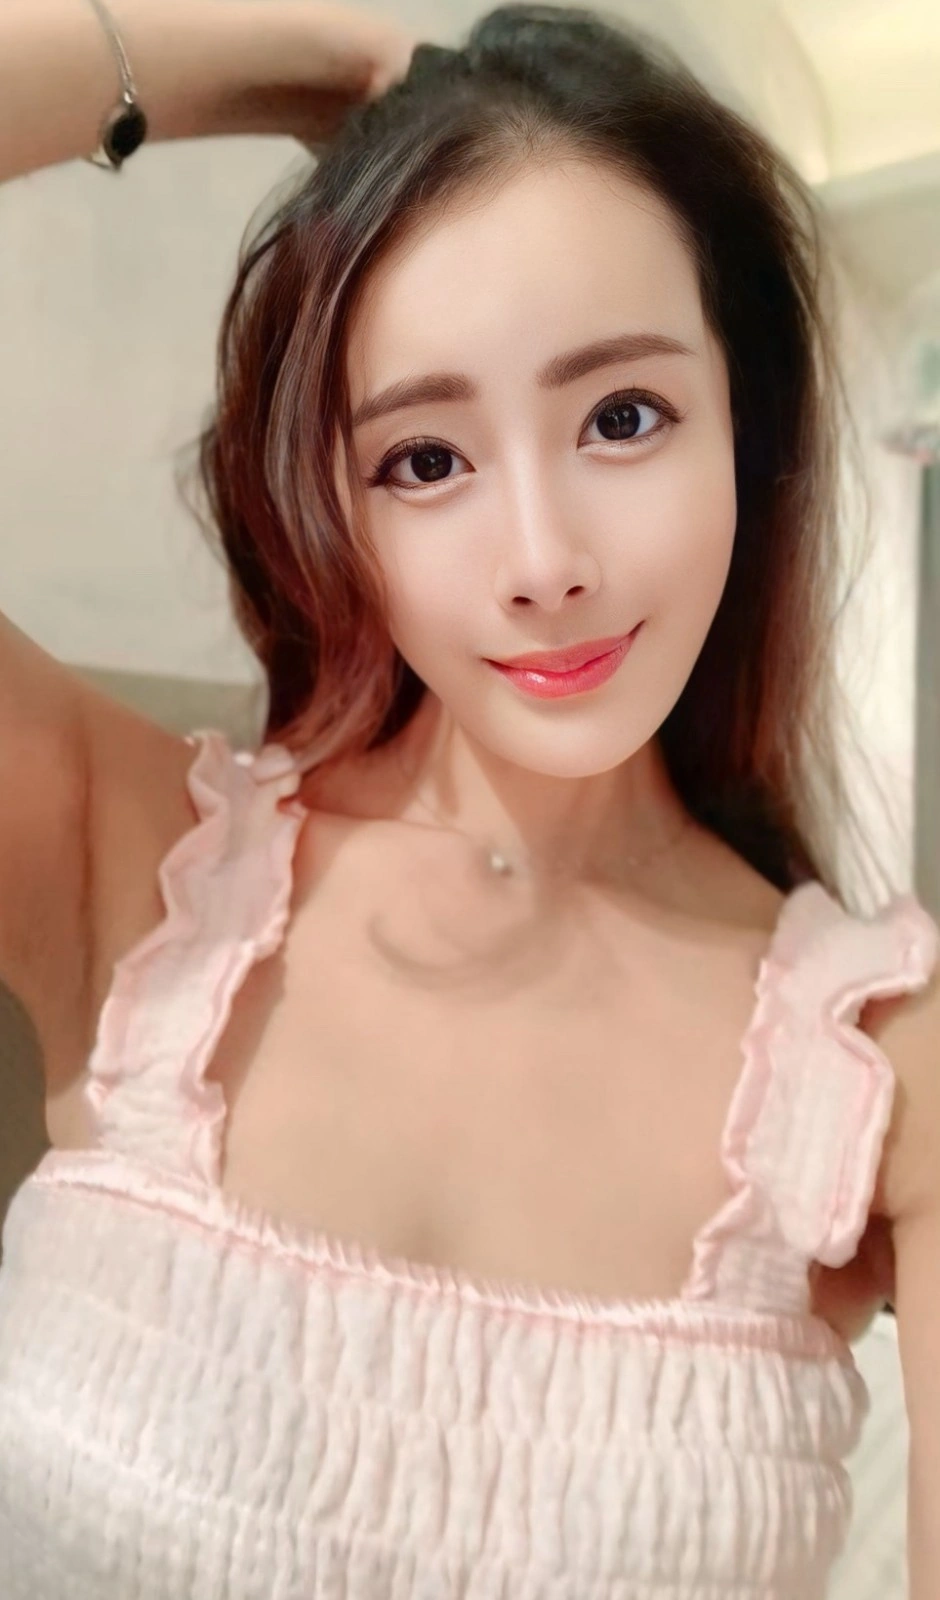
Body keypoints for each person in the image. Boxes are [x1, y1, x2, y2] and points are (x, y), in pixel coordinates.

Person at [0, 2, 938, 1596]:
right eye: (425, 460)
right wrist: (265, 60)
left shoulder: (883, 1074)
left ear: (746, 430)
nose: (543, 562)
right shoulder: (128, 862)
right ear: (331, 503)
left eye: (622, 418)